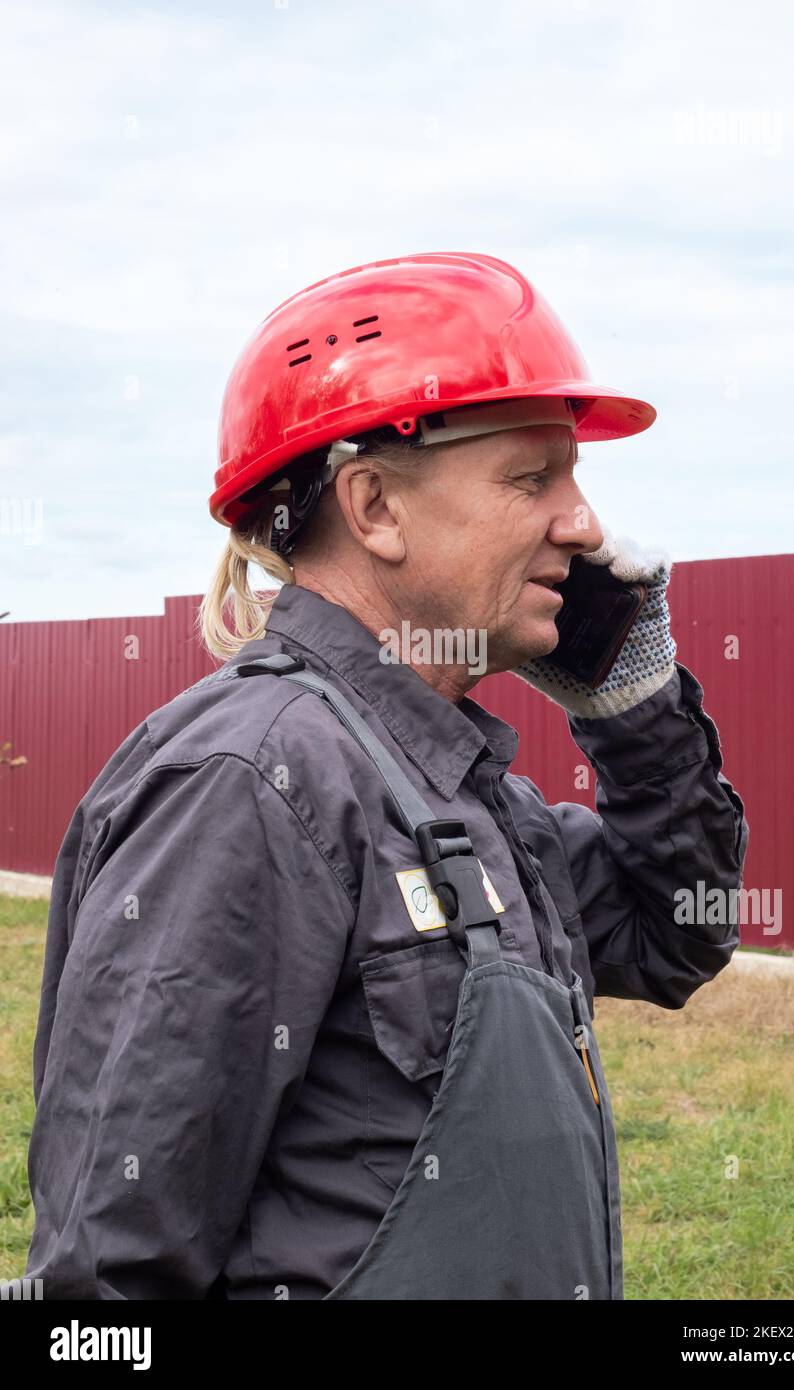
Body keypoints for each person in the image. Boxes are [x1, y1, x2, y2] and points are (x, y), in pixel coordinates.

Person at [25, 251, 748, 1300]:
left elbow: (676, 932)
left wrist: (634, 710)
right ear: (374, 507)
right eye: (531, 476)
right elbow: (107, 1279)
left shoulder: (465, 791)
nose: (583, 523)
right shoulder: (250, 781)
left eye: (575, 478)